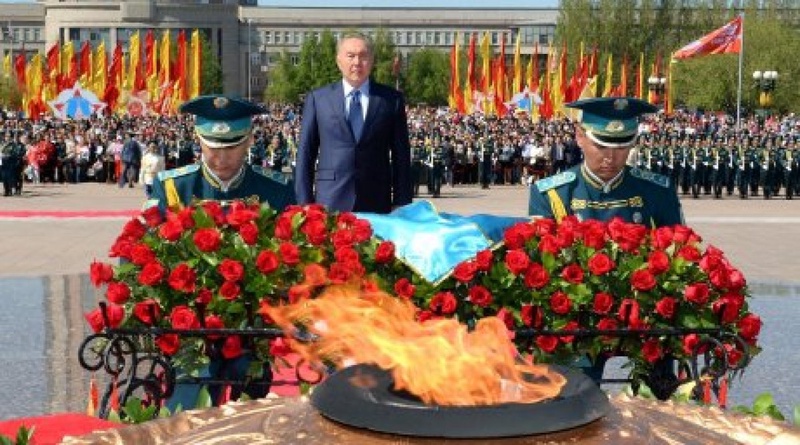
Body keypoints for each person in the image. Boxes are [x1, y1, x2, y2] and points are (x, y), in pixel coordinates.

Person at [295, 31, 412, 214]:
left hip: (376, 201)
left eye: (363, 56)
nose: (357, 62)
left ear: (372, 60)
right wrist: (304, 202)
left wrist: (402, 202)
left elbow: (401, 156)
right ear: (338, 60)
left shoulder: (391, 100)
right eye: (350, 56)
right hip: (329, 201)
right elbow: (305, 153)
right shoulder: (318, 99)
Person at [529, 97, 683, 228]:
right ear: (580, 137)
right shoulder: (552, 194)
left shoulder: (657, 190)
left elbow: (679, 253)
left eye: (621, 147)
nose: (611, 156)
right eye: (601, 146)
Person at [147, 95, 296, 214]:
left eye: (232, 148)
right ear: (198, 139)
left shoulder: (277, 188)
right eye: (213, 148)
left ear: (250, 140)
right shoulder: (172, 187)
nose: (222, 158)